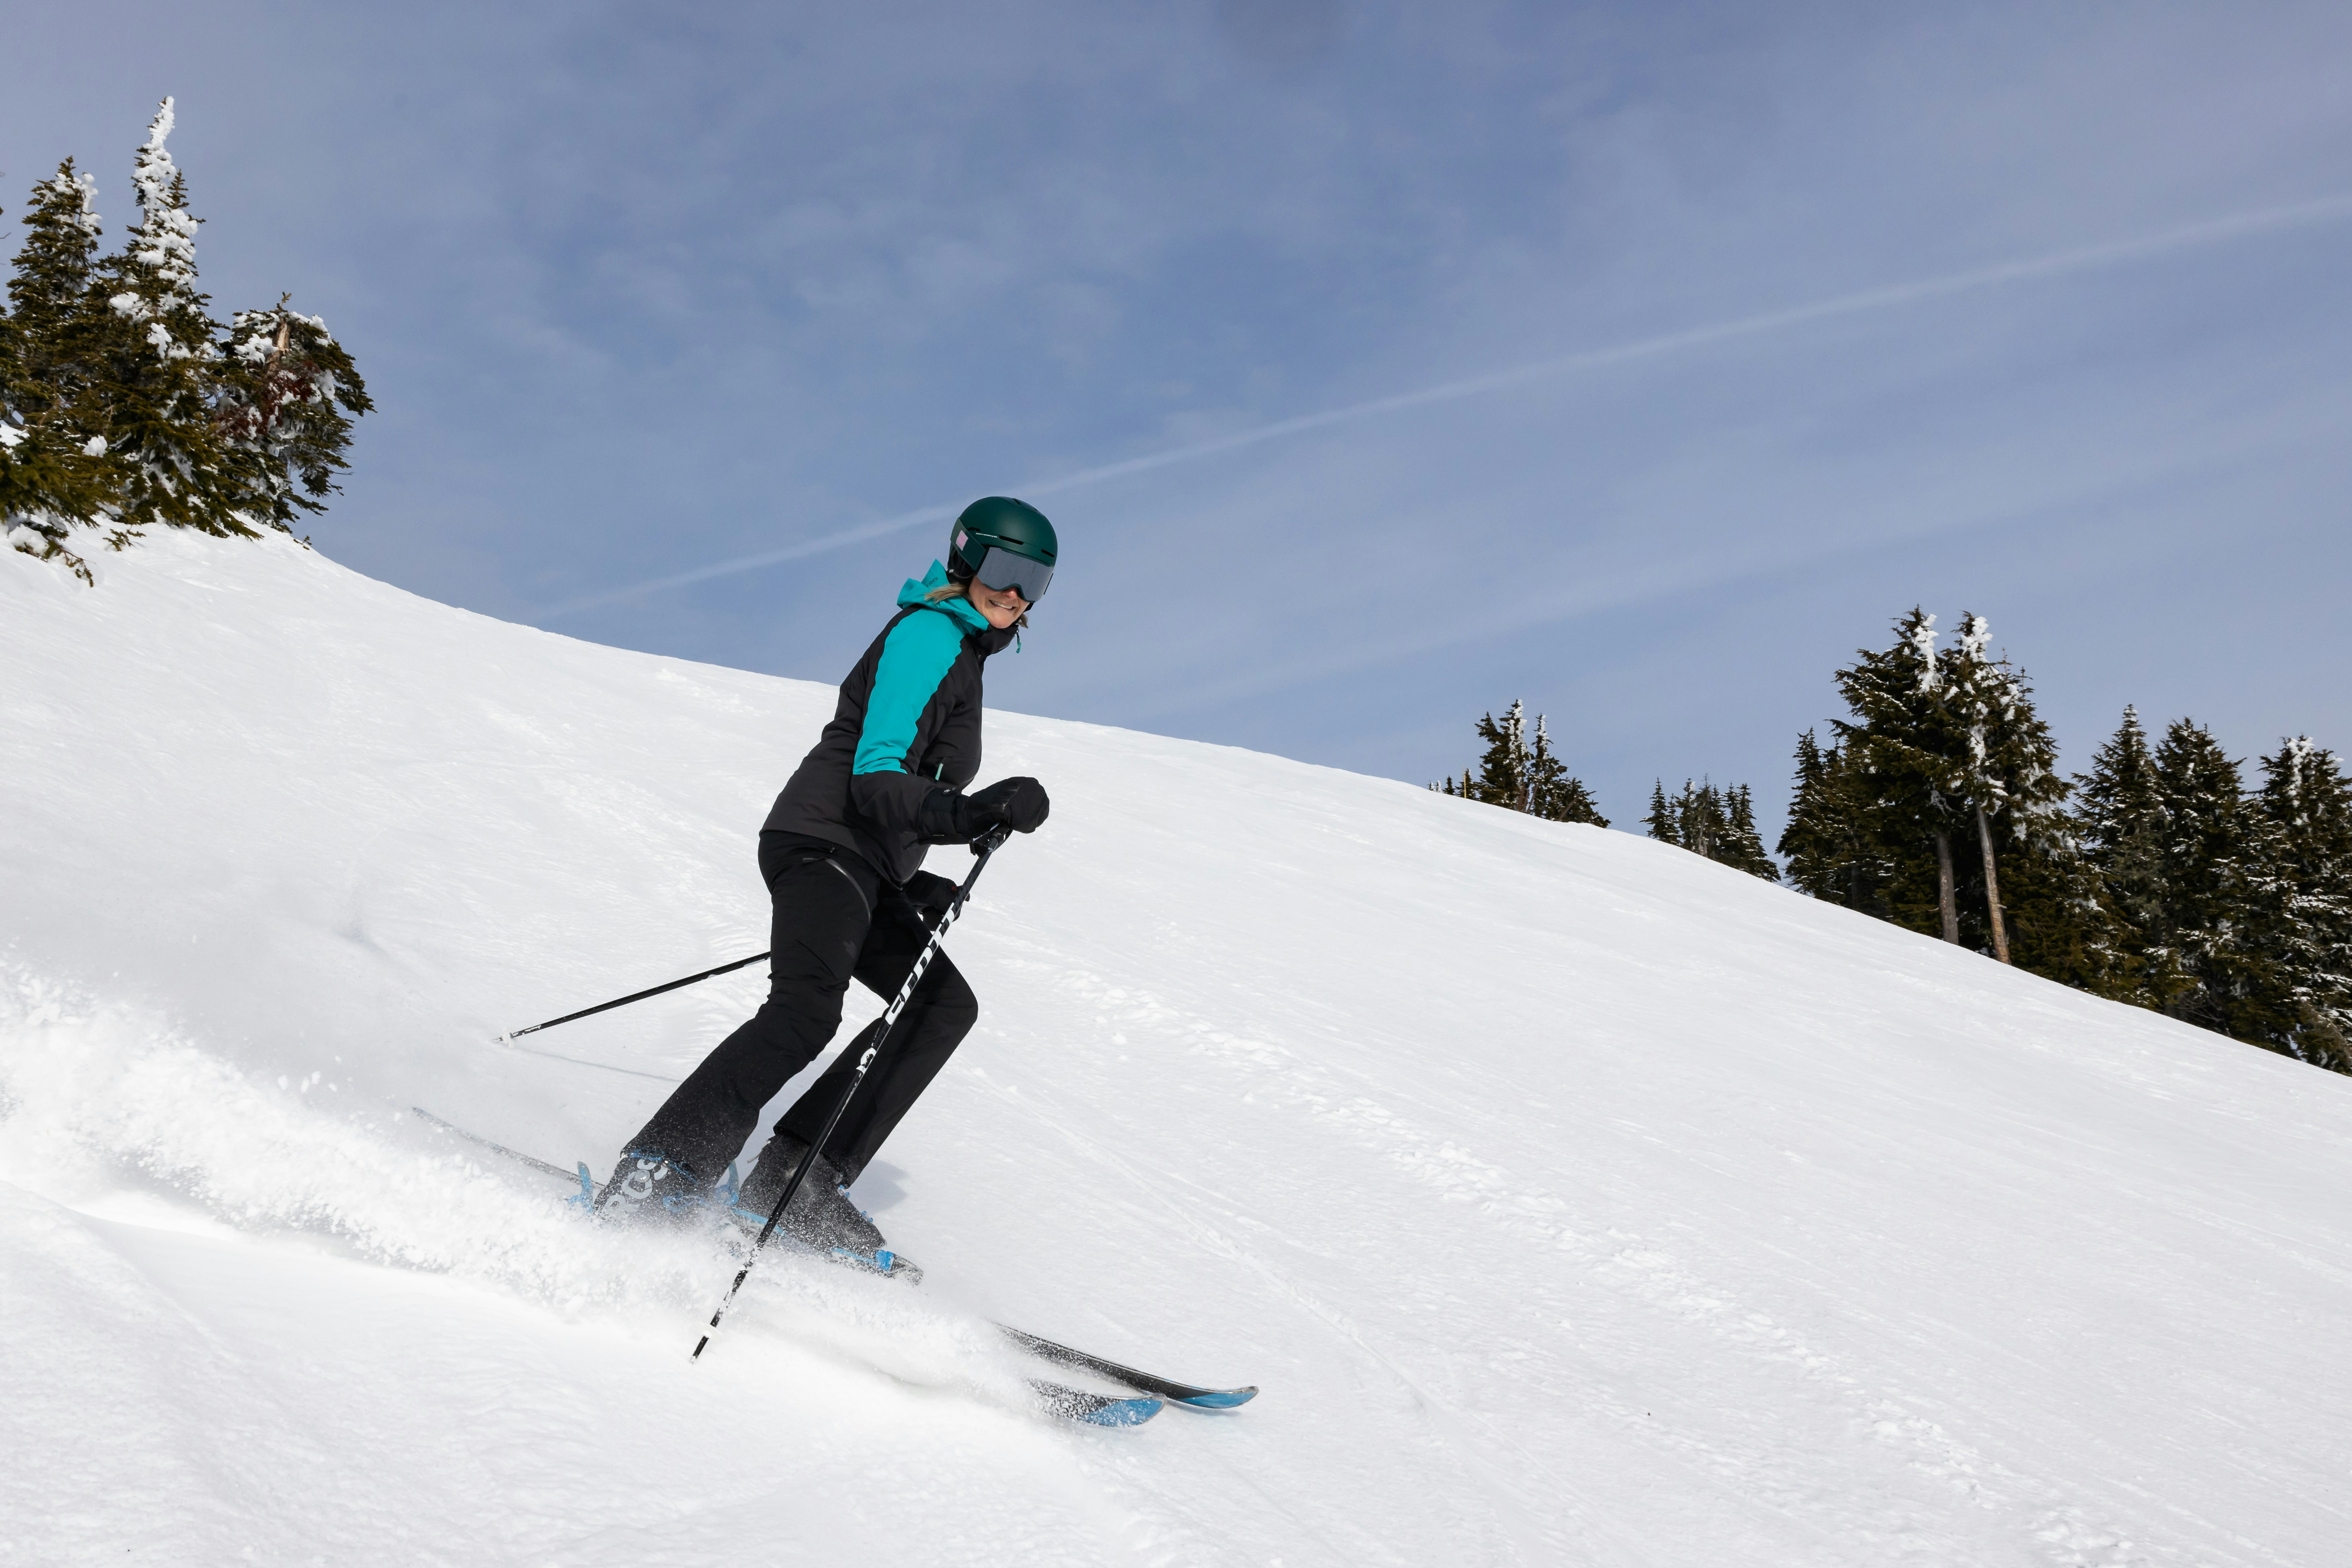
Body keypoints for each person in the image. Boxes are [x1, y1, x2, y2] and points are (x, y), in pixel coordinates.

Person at [593, 496, 1058, 1270]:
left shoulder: (967, 656)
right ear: (964, 559)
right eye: (1004, 570)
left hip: (865, 865)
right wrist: (967, 811)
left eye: (1034, 582)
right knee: (806, 1014)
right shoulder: (929, 634)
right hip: (819, 842)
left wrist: (912, 880)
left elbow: (902, 797)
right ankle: (660, 1172)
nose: (1015, 594)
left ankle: (795, 1180)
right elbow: (877, 776)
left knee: (941, 1004)